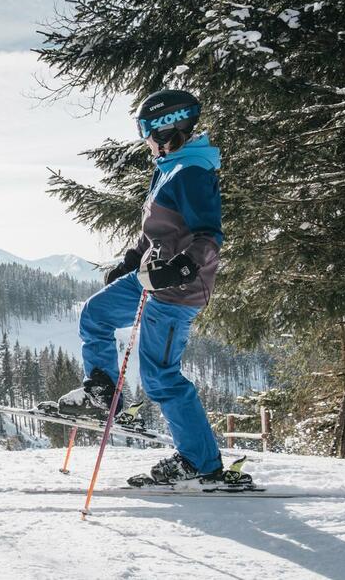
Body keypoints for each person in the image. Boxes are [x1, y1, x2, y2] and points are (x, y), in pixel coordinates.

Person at [55, 89, 227, 484]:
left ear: (167, 128)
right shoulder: (168, 167)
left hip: (177, 290)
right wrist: (131, 262)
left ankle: (201, 463)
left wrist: (182, 269)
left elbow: (208, 236)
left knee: (160, 376)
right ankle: (102, 391)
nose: (145, 139)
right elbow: (155, 231)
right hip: (150, 276)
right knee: (95, 314)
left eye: (146, 131)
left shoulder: (192, 172)